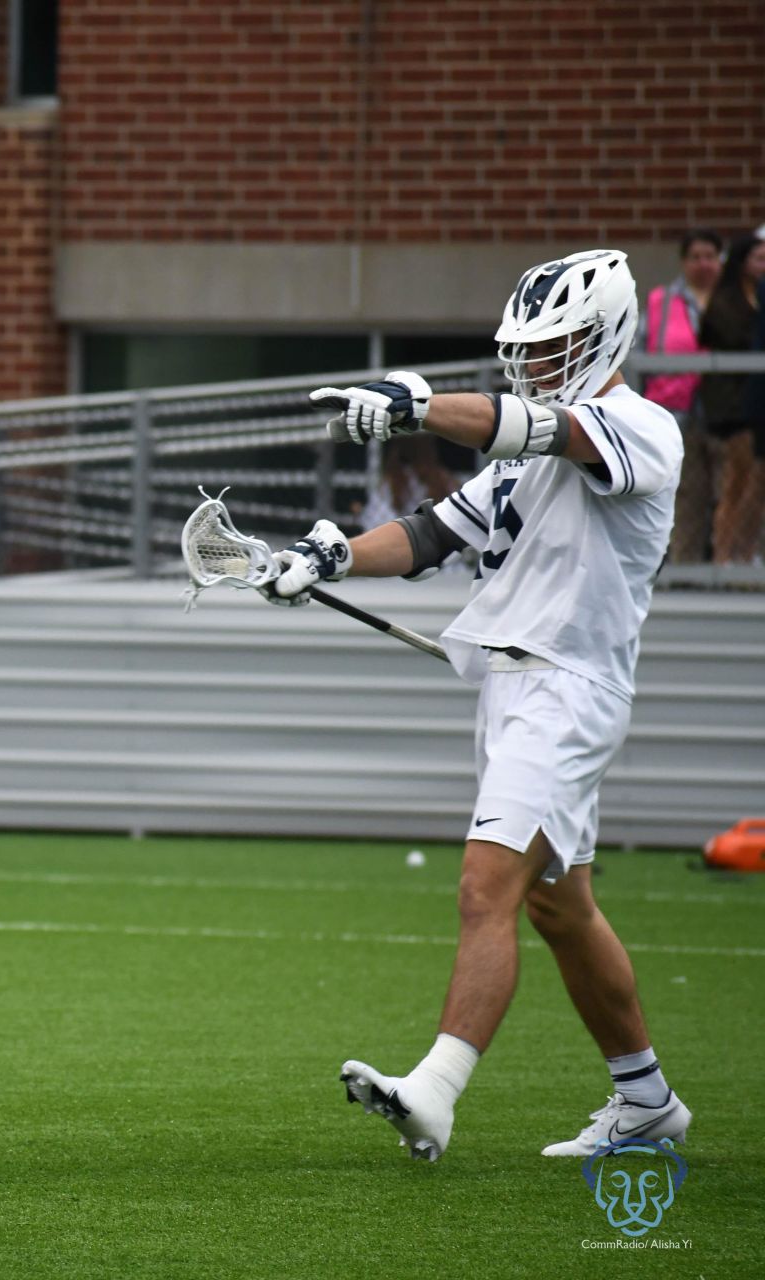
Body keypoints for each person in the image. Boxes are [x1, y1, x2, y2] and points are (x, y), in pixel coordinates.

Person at [279, 249, 689, 1162]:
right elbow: (431, 534)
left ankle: (435, 1090)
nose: (539, 363)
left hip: (568, 690)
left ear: (607, 337)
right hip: (512, 689)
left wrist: (417, 408)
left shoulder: (642, 428)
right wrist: (329, 558)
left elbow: (541, 429)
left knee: (484, 886)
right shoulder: (522, 451)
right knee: (560, 909)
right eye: (530, 349)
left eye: (559, 346)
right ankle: (647, 1101)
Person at [641, 230, 723, 563]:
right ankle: (684, 566)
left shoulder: (737, 297)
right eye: (695, 257)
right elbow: (642, 349)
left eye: (710, 257)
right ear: (683, 262)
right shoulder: (661, 300)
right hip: (674, 409)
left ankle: (732, 566)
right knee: (685, 490)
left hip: (724, 408)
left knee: (730, 488)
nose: (703, 264)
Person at [699, 231, 765, 564]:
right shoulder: (726, 301)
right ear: (742, 263)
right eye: (759, 259)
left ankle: (745, 554)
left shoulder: (760, 297)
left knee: (758, 485)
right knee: (736, 482)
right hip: (735, 408)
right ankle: (723, 559)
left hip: (757, 407)